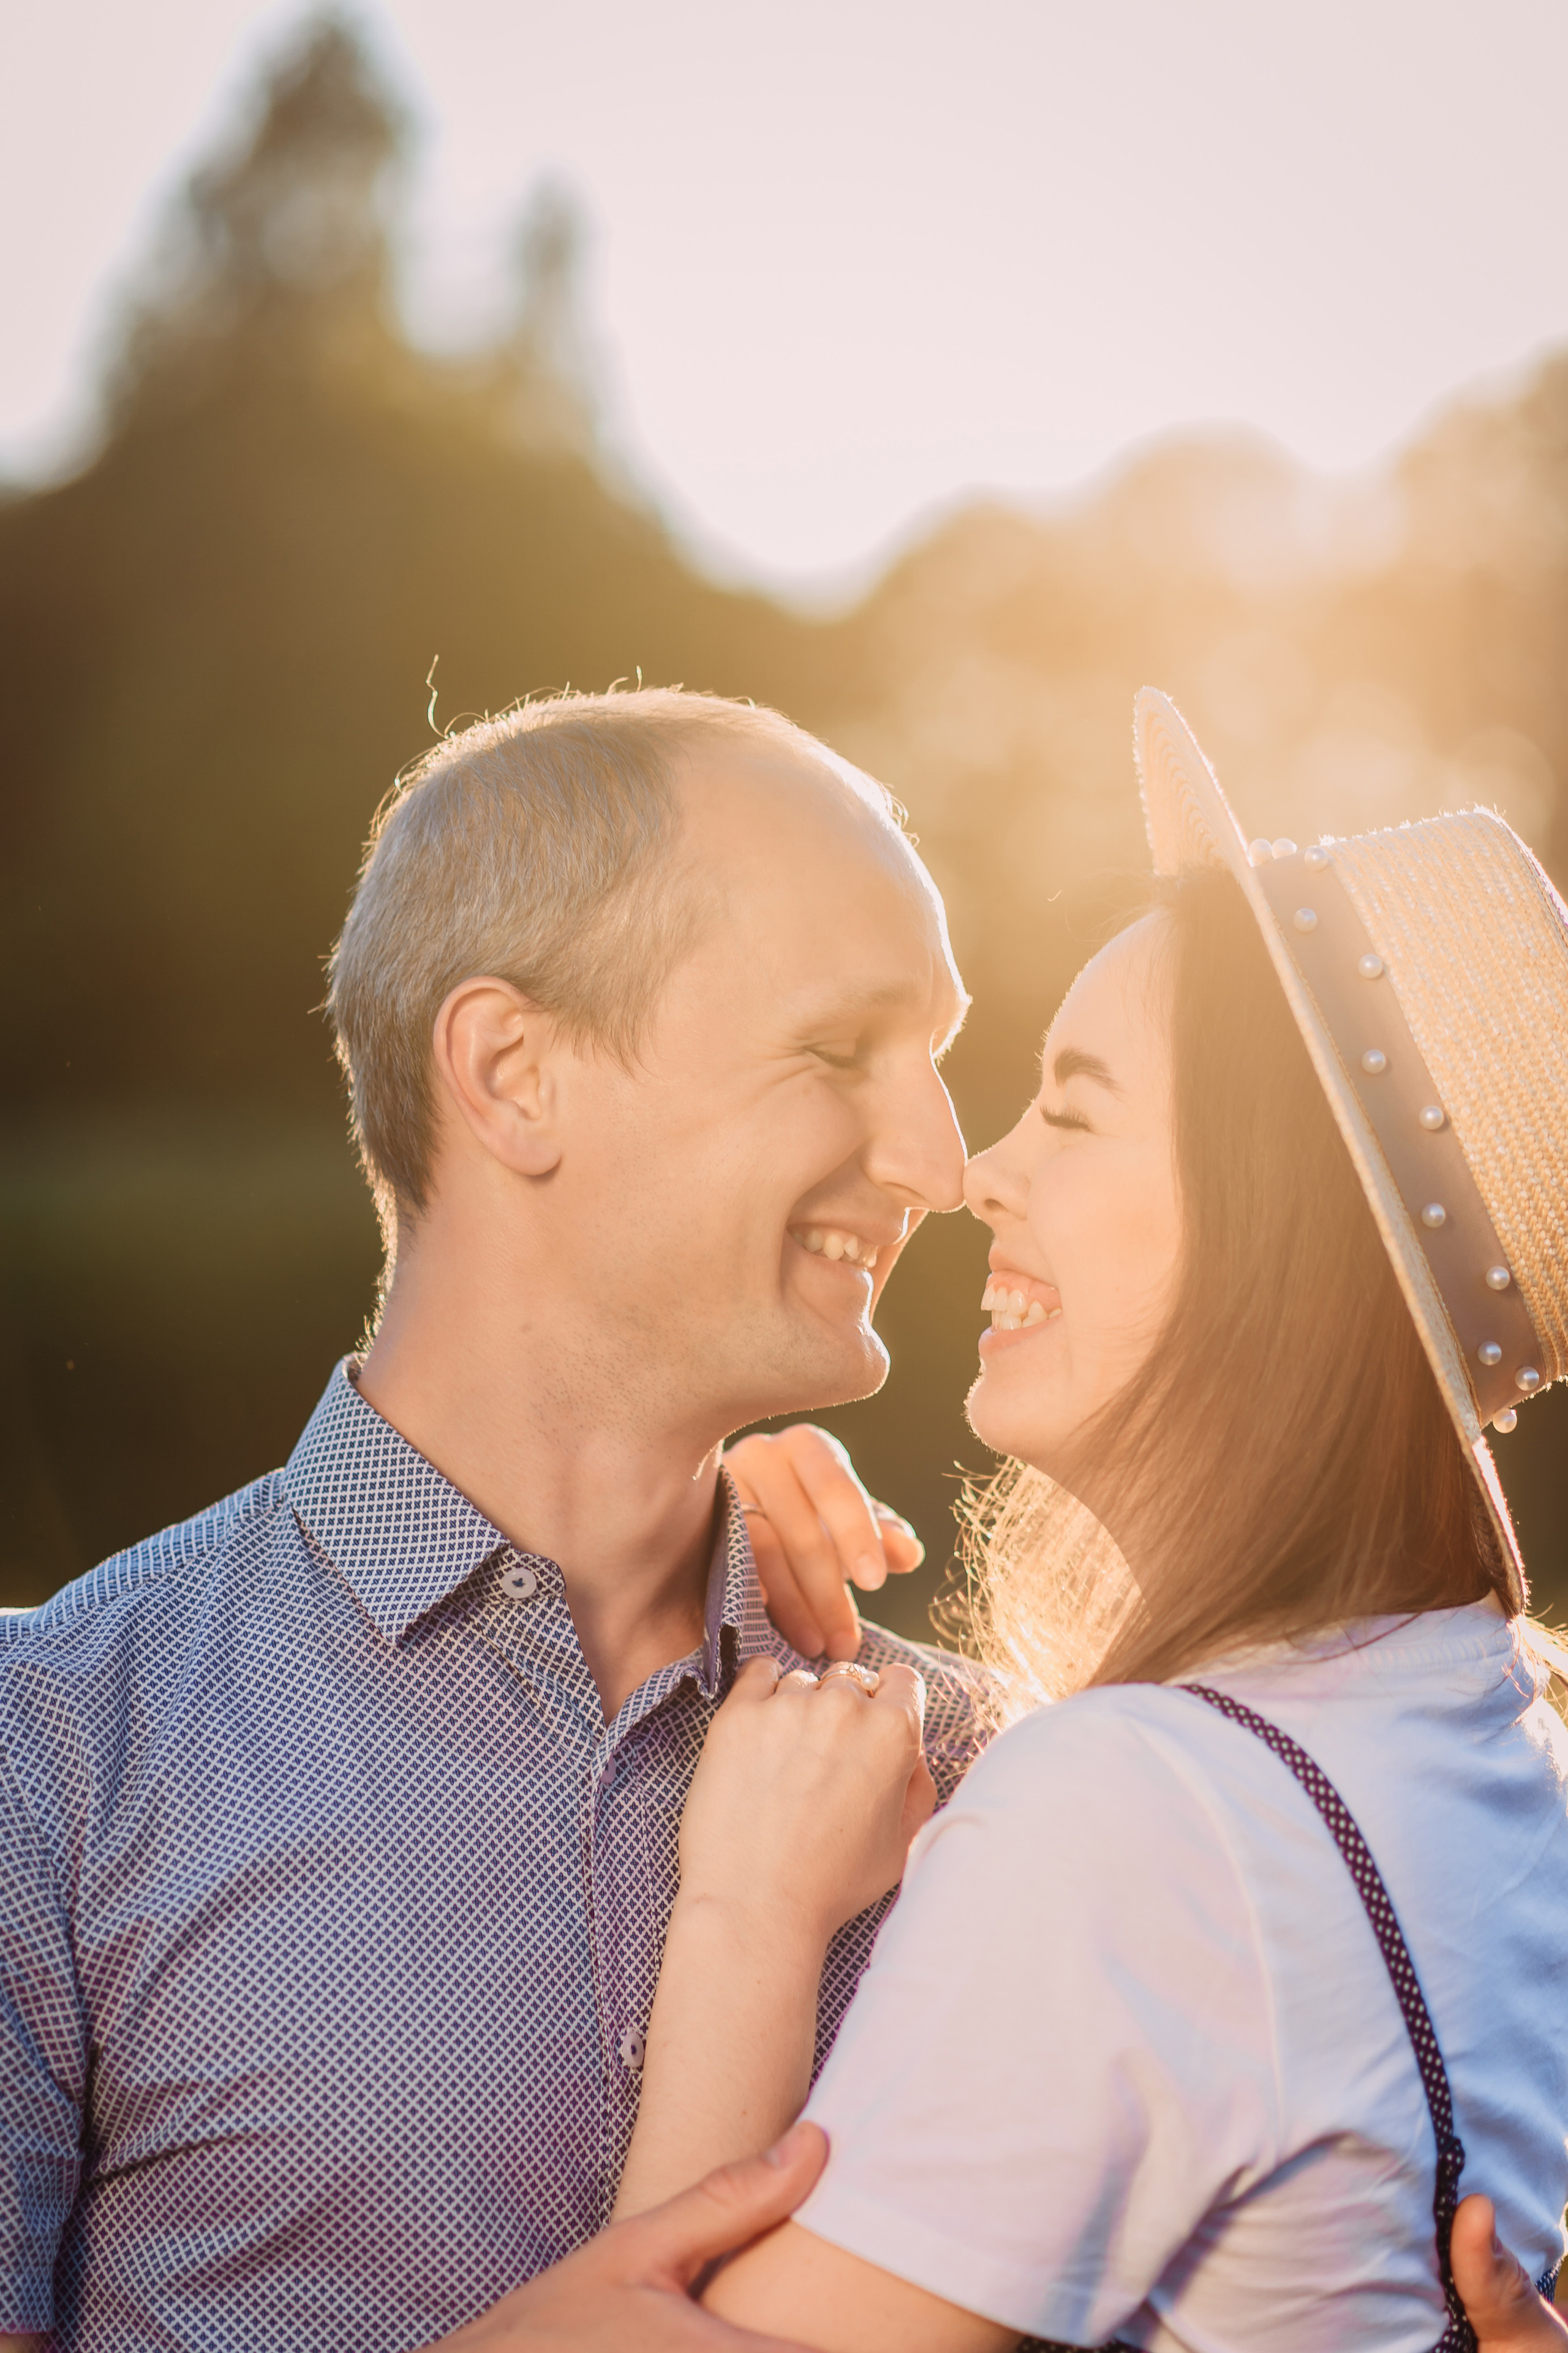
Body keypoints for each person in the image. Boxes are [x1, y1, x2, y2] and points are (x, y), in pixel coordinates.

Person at [0, 690, 989, 2351]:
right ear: (512, 1074)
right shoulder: (49, 1748)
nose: (944, 1162)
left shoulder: (977, 1776)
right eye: (839, 1050)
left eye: (940, 1065)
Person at [608, 690, 1568, 2351]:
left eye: (1075, 1104)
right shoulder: (1506, 1732)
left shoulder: (1144, 1814)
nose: (981, 1169)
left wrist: (751, 1909)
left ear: (1285, 1237)